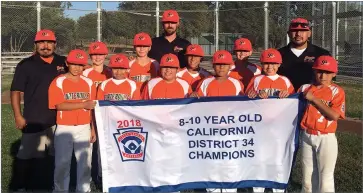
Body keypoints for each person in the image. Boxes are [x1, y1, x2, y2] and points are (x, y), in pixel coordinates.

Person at [10, 29, 66, 191]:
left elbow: (82, 70)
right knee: (26, 156)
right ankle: (19, 186)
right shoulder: (26, 64)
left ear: (55, 44)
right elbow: (16, 92)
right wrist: (18, 116)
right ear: (36, 45)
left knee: (56, 156)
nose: (45, 46)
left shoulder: (64, 62)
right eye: (41, 42)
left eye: (49, 42)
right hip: (34, 117)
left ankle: (51, 185)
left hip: (60, 118)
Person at [246, 48, 294, 193]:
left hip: (279, 128)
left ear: (279, 65)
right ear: (261, 64)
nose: (270, 67)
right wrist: (252, 94)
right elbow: (246, 98)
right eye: (266, 63)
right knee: (260, 158)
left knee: (277, 158)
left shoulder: (285, 81)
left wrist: (289, 94)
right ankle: (258, 188)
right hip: (260, 127)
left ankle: (277, 187)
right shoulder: (256, 80)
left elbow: (294, 100)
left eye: (273, 63)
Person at [48, 49, 97, 192]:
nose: (77, 68)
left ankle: (84, 189)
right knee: (62, 163)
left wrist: (92, 128)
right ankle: (60, 190)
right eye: (73, 64)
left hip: (84, 127)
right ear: (67, 63)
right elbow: (58, 105)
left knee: (85, 162)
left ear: (84, 66)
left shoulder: (89, 82)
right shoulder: (58, 82)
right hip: (64, 127)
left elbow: (93, 108)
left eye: (80, 65)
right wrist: (82, 104)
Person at [298, 55, 345, 193]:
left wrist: (314, 99)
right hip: (306, 135)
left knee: (325, 179)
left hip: (326, 137)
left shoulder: (337, 91)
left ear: (334, 74)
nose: (323, 75)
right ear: (314, 71)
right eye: (319, 71)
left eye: (328, 72)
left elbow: (334, 115)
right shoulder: (305, 88)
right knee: (307, 180)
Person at [278, 18, 331, 90]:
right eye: (294, 31)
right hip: (285, 98)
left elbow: (330, 81)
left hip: (312, 98)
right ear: (288, 34)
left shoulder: (322, 54)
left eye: (303, 31)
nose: (298, 34)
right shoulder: (278, 54)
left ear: (309, 33)